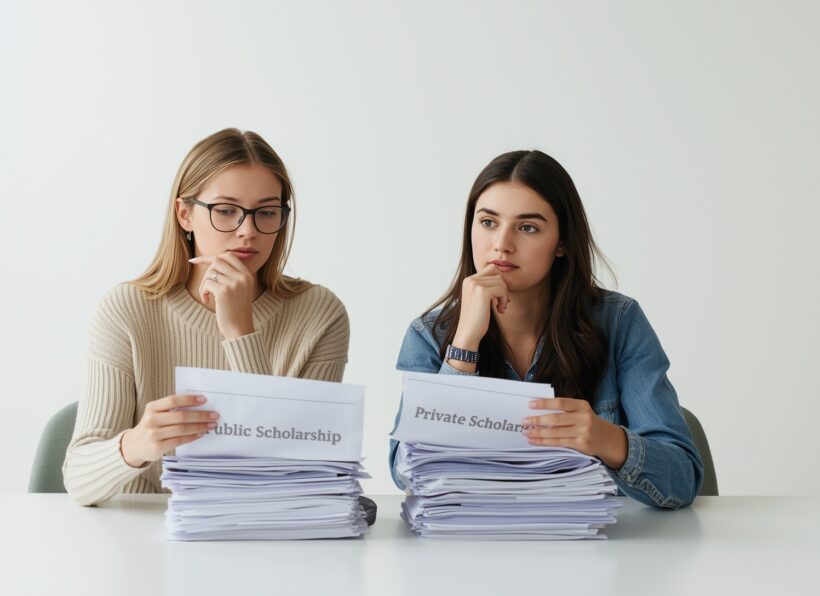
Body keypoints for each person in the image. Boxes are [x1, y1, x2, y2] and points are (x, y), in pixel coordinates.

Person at [390, 150, 703, 509]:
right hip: (477, 548)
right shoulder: (428, 335)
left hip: (601, 550)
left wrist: (606, 439)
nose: (502, 244)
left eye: (528, 227)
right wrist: (464, 346)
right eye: (488, 222)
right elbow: (406, 472)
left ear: (563, 243)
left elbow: (682, 478)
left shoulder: (620, 322)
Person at [64, 128, 349, 506]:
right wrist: (138, 443)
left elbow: (300, 477)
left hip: (267, 534)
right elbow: (80, 482)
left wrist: (239, 329)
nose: (247, 231)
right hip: (145, 544)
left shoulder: (319, 313)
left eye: (266, 212)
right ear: (185, 215)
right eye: (226, 211)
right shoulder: (127, 309)